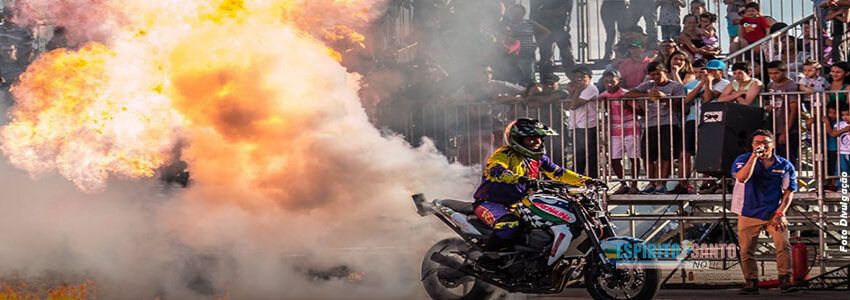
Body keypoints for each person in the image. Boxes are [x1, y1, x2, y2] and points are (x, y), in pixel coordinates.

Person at [473, 118, 602, 249]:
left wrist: (587, 181)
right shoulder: (503, 154)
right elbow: (496, 171)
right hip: (490, 203)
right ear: (517, 139)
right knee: (509, 225)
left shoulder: (537, 158)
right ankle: (486, 260)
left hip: (517, 205)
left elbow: (559, 173)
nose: (537, 142)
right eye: (531, 138)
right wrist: (522, 179)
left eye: (539, 138)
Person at [731, 129, 798, 295]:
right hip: (748, 211)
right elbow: (742, 177)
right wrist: (754, 157)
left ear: (772, 144)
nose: (761, 145)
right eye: (757, 142)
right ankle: (751, 281)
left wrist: (780, 213)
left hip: (772, 212)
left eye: (765, 142)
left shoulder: (784, 164)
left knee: (783, 245)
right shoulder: (743, 159)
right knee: (746, 249)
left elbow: (789, 191)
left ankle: (785, 279)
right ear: (752, 145)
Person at [623, 62, 686, 194]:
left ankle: (661, 184)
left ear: (666, 72)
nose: (656, 77)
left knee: (666, 155)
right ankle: (651, 183)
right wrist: (646, 95)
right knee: (647, 156)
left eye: (658, 73)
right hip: (649, 124)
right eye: (653, 75)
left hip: (669, 123)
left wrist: (664, 98)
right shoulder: (648, 85)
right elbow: (628, 94)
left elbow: (680, 107)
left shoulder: (676, 86)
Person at [602, 70, 642, 194]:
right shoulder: (603, 96)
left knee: (633, 157)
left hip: (631, 128)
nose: (609, 83)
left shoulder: (626, 94)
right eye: (607, 81)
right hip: (614, 130)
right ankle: (623, 184)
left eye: (612, 80)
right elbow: (602, 114)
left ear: (619, 81)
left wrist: (627, 105)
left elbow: (640, 111)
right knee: (614, 158)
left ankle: (634, 184)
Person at [566, 66, 601, 178]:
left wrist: (578, 90)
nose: (579, 79)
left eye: (582, 77)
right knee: (578, 154)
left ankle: (592, 179)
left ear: (589, 78)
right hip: (576, 125)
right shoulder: (578, 89)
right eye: (577, 77)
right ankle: (577, 178)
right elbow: (566, 106)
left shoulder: (591, 89)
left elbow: (573, 105)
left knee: (590, 155)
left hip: (588, 126)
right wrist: (571, 91)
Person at [764, 61, 800, 164]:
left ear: (784, 71)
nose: (773, 76)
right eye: (770, 73)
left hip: (788, 129)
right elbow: (766, 103)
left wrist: (785, 132)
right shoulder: (770, 85)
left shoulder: (791, 85)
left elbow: (794, 110)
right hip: (773, 126)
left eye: (776, 73)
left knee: (788, 160)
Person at [508, 4, 551, 86]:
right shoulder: (508, 25)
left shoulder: (529, 22)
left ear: (523, 13)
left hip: (528, 52)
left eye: (519, 12)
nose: (517, 15)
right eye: (514, 13)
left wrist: (536, 44)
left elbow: (546, 32)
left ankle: (530, 93)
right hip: (513, 54)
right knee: (514, 75)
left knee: (529, 75)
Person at [531, 0, 577, 74]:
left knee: (565, 54)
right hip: (546, 28)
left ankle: (576, 79)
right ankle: (547, 81)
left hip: (557, 27)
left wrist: (545, 12)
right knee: (547, 56)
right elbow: (536, 11)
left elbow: (564, 10)